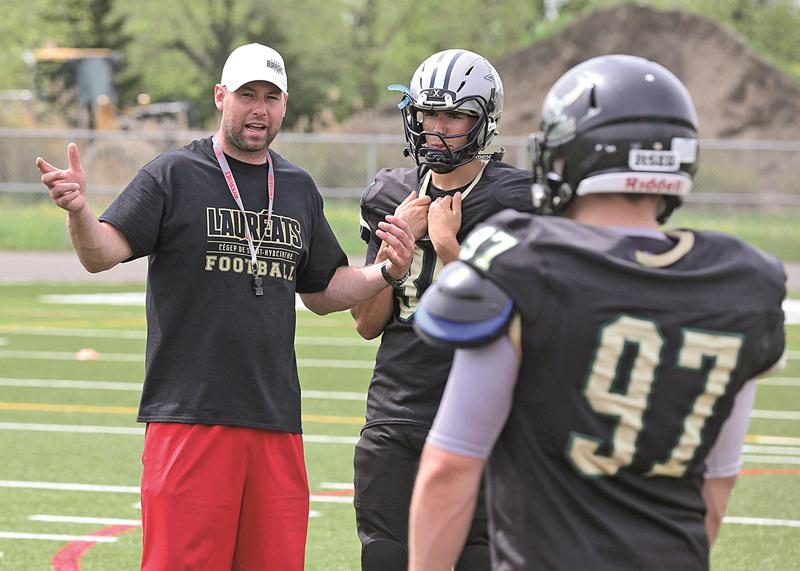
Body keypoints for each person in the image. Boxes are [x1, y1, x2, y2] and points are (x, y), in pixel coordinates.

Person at [36, 42, 414, 571]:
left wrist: (387, 272)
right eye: (246, 95)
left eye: (270, 97)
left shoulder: (299, 187)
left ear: (284, 105)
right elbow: (101, 253)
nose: (258, 109)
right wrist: (79, 212)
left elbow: (325, 292)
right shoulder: (172, 175)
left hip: (275, 419)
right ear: (221, 97)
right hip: (190, 418)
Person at [408, 54, 787, 570]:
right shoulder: (742, 284)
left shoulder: (524, 262)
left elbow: (450, 466)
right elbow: (716, 484)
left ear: (573, 153)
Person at [350, 49, 534, 570]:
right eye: (429, 113)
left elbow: (513, 323)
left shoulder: (515, 199)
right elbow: (366, 324)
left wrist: (451, 250)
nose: (437, 129)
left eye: (454, 115)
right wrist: (394, 250)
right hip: (395, 412)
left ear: (484, 121)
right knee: (385, 558)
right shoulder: (391, 192)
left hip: (482, 416)